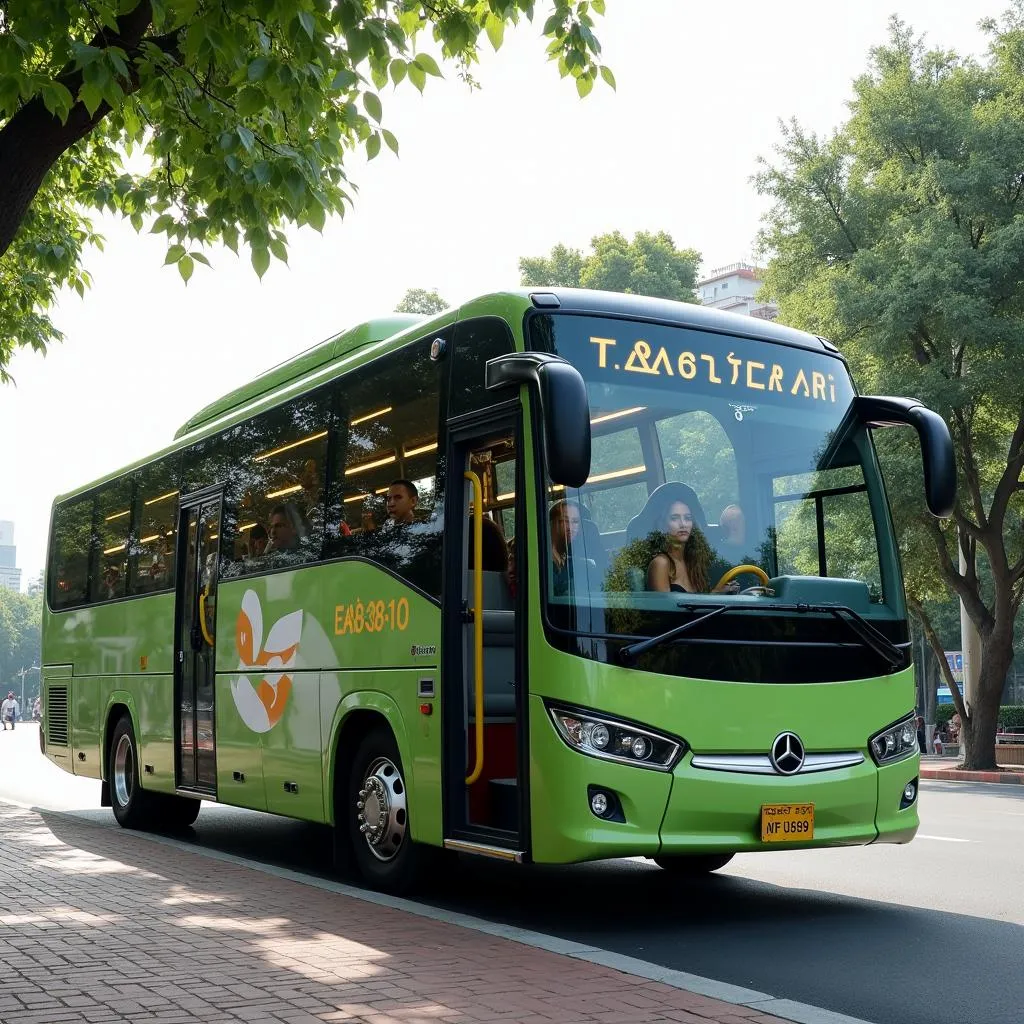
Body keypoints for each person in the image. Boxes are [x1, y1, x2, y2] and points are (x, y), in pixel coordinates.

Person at [646, 496, 739, 595]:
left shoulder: (693, 562)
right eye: (674, 518)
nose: (683, 524)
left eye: (687, 518)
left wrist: (717, 592)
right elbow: (665, 609)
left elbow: (695, 604)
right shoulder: (661, 563)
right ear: (663, 525)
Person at [549, 499, 584, 595]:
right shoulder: (544, 560)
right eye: (565, 520)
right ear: (551, 524)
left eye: (575, 521)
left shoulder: (569, 557)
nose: (571, 527)